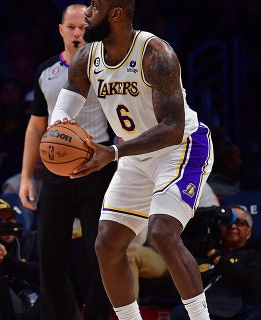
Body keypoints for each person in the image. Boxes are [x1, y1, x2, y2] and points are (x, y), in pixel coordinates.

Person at [48, 1, 215, 319]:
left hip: (180, 147)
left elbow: (172, 127)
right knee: (107, 244)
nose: (86, 14)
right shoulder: (87, 57)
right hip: (134, 156)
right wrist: (58, 131)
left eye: (94, 8)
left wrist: (111, 153)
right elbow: (68, 101)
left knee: (163, 231)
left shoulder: (156, 54)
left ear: (116, 14)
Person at [19, 4, 115, 320]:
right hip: (56, 172)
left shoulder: (110, 69)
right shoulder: (46, 71)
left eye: (84, 28)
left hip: (97, 168)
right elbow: (36, 125)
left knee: (99, 251)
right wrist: (25, 178)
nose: (77, 34)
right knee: (48, 255)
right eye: (71, 27)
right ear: (61, 30)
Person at [171, 205, 261, 320]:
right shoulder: (201, 252)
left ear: (248, 232)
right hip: (208, 311)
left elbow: (253, 282)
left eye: (240, 223)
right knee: (180, 312)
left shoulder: (255, 256)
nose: (233, 226)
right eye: (226, 222)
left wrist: (216, 257)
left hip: (244, 312)